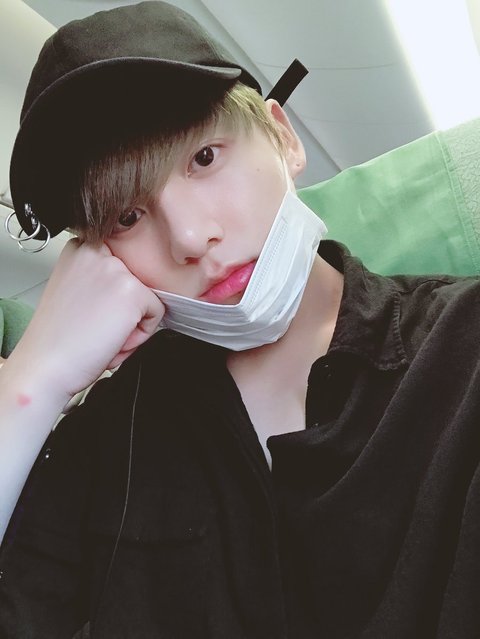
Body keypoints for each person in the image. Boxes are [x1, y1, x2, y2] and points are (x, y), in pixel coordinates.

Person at [1, 2, 480, 638]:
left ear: (284, 138)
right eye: (126, 217)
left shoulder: (464, 345)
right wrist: (33, 381)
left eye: (204, 158)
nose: (190, 238)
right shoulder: (101, 444)